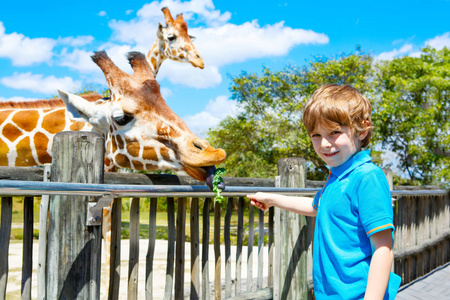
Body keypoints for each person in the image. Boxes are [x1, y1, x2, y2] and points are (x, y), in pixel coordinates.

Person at [247, 84, 401, 300]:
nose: (325, 144)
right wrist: (271, 199)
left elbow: (383, 247)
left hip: (359, 294)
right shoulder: (337, 176)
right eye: (316, 135)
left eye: (335, 132)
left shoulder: (367, 177)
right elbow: (315, 207)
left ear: (362, 130)